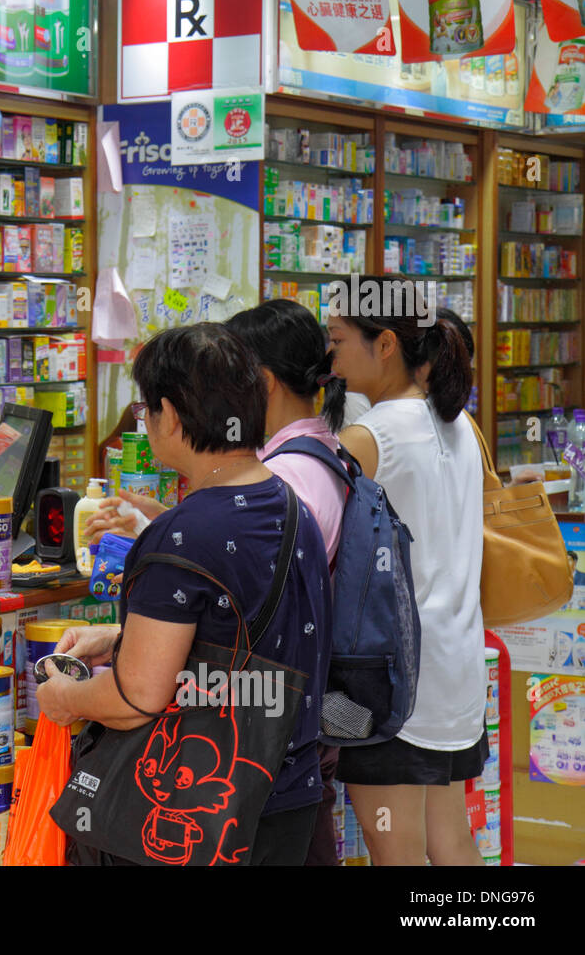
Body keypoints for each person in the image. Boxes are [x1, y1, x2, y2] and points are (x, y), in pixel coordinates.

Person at [37, 324, 332, 865]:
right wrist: (122, 637)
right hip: (286, 796)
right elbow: (239, 638)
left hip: (193, 815)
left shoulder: (179, 534)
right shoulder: (294, 509)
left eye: (147, 409)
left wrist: (66, 699)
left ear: (169, 415)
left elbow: (137, 698)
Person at [328, 289, 486, 866]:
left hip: (393, 679)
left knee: (394, 852)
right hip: (456, 674)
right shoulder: (459, 424)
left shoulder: (371, 437)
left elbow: (297, 525)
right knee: (451, 843)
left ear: (386, 344)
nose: (331, 355)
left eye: (340, 339)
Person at [225, 299, 349, 867]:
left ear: (265, 382)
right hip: (302, 708)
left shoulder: (287, 473)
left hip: (276, 709)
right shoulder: (318, 449)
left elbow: (249, 582)